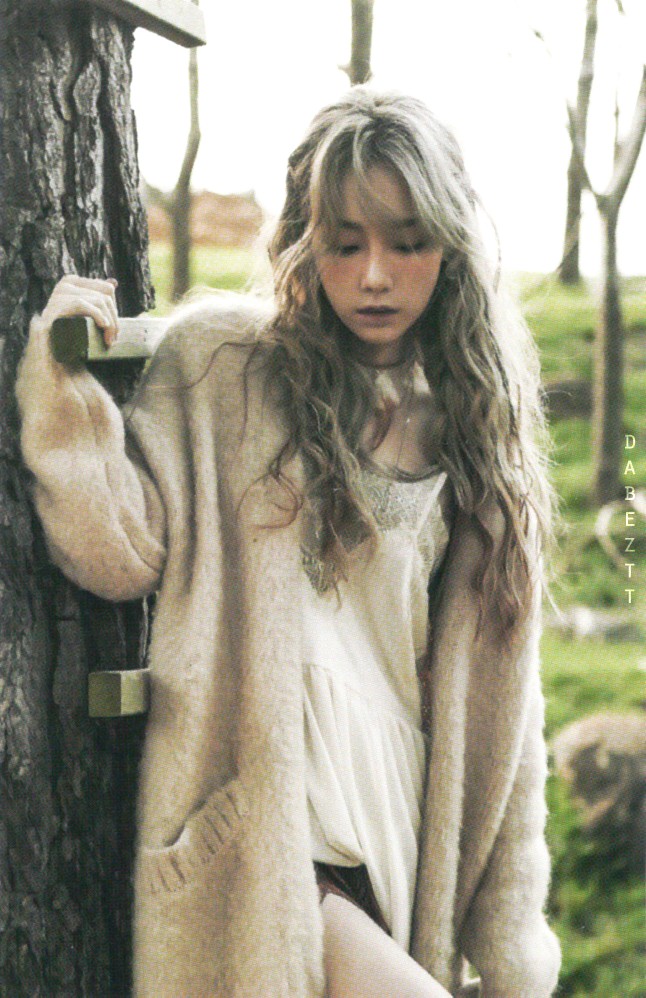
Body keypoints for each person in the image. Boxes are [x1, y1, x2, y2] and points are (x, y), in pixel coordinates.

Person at [16, 88, 561, 997]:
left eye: (407, 243)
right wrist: (63, 391)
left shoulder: (477, 432)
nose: (375, 275)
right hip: (270, 838)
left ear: (451, 245)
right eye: (345, 245)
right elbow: (117, 552)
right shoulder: (226, 370)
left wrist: (511, 953)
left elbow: (511, 717)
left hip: (399, 836)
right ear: (306, 243)